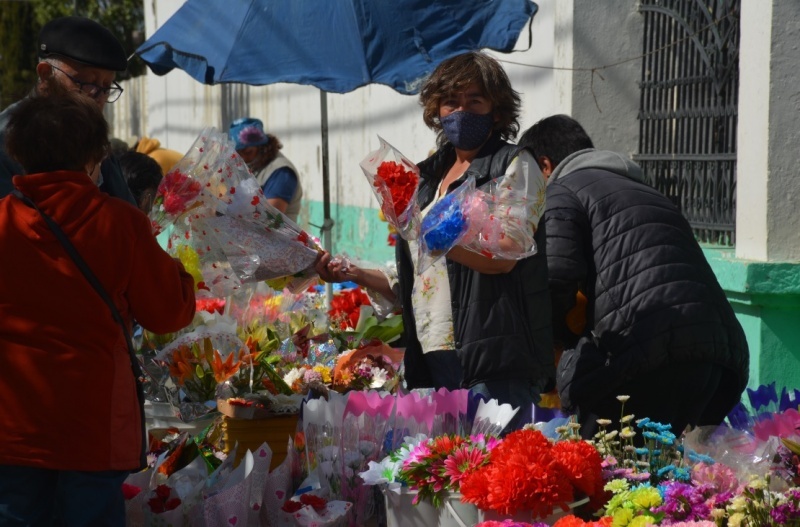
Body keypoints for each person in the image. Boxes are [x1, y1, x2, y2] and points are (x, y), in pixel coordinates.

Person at [316, 51, 554, 431]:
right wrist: (354, 273)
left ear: (496, 110)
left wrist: (436, 241)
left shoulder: (512, 165)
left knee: (492, 478)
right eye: (451, 102)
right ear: (436, 110)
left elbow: (507, 254)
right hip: (433, 351)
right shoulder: (426, 177)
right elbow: (416, 275)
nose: (461, 111)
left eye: (475, 100)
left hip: (491, 356)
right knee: (448, 476)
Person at [0, 85, 196, 526]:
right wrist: (183, 274)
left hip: (13, 427)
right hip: (94, 426)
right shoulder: (120, 222)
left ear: (19, 152)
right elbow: (169, 312)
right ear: (94, 157)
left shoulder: (1, 222)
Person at [518, 114, 749, 437]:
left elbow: (556, 275)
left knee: (602, 473)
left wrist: (546, 358)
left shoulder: (561, 190)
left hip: (640, 355)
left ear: (544, 166)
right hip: (718, 358)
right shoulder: (650, 193)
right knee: (668, 478)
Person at [0, 16, 136, 206]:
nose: (96, 96)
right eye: (86, 82)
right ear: (45, 74)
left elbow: (126, 208)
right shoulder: (6, 138)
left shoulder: (94, 137)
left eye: (106, 86)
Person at [228, 117, 303, 221]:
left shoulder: (280, 171)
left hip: (277, 237)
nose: (243, 159)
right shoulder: (253, 167)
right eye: (239, 154)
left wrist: (224, 212)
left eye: (248, 152)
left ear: (261, 147)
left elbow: (270, 217)